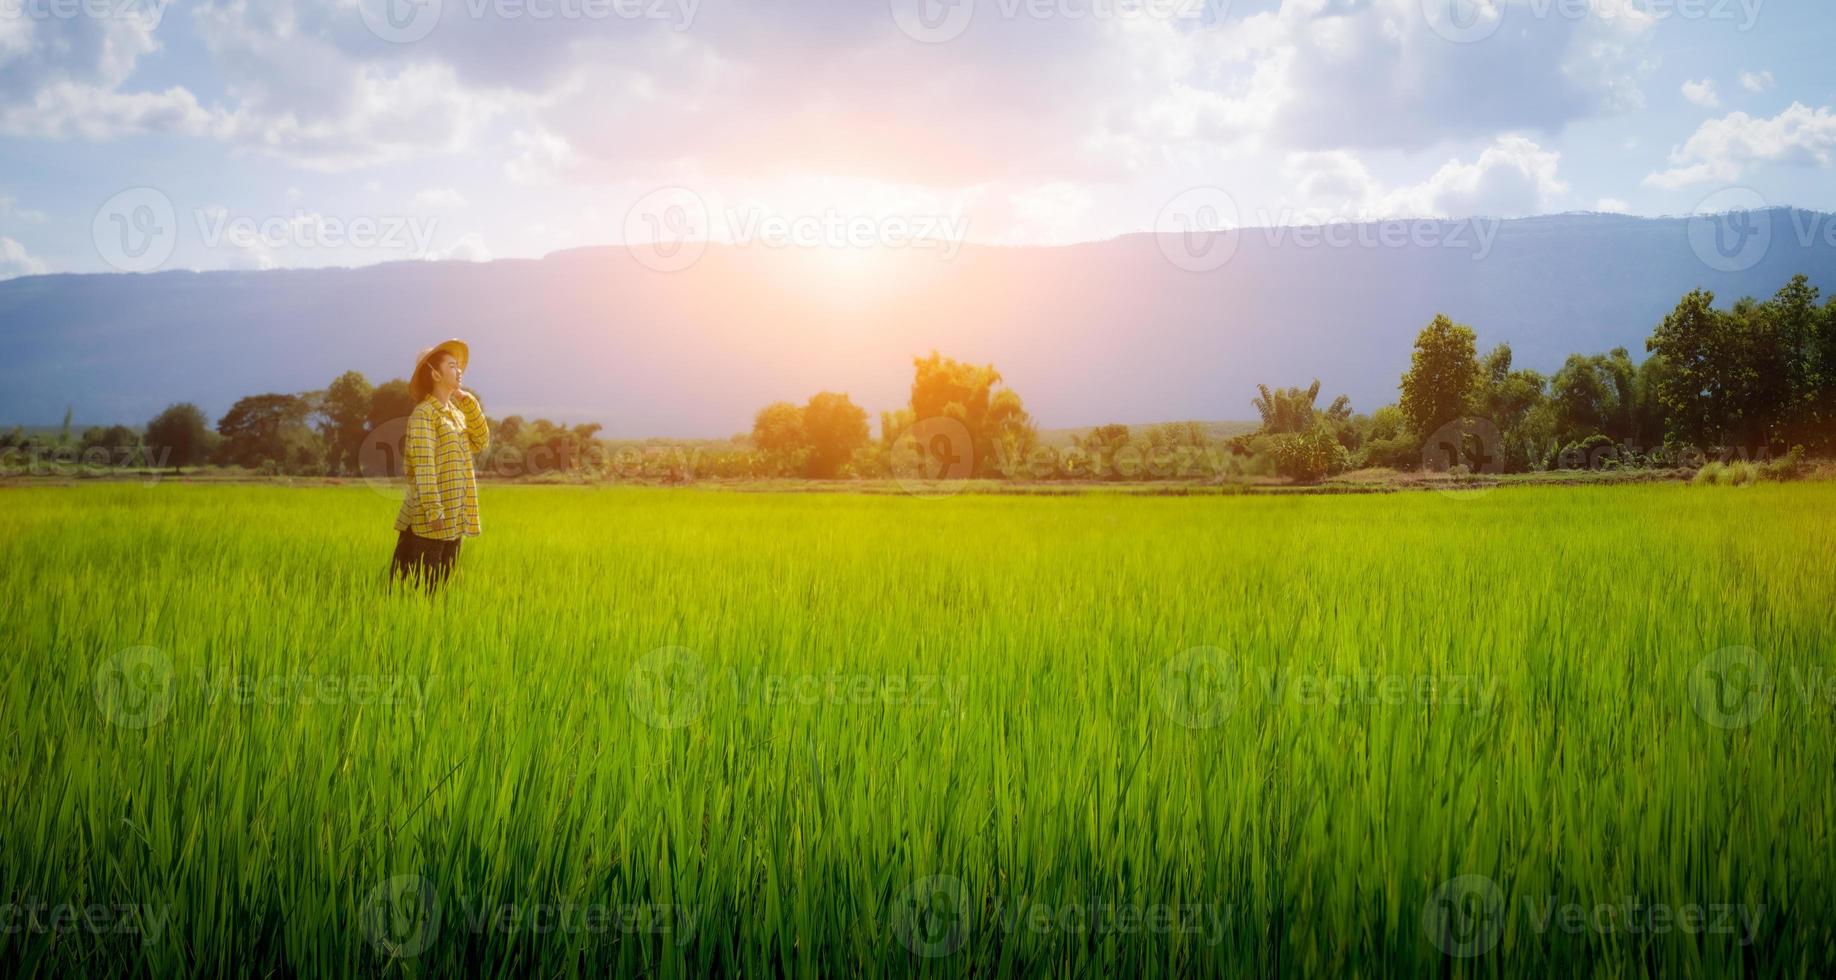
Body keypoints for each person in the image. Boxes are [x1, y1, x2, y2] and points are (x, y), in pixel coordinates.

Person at [390, 339, 488, 590]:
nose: (460, 371)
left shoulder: (456, 414)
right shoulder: (424, 414)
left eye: (459, 366)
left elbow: (481, 440)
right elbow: (424, 466)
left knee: (440, 595)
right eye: (453, 366)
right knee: (421, 594)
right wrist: (434, 510)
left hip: (454, 519)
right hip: (430, 521)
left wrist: (469, 403)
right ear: (435, 374)